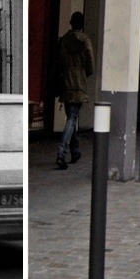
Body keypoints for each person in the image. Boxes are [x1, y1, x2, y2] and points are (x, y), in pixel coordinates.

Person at [56, 11, 94, 170]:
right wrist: (85, 72)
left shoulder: (64, 40)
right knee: (72, 119)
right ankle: (61, 153)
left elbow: (59, 60)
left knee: (71, 118)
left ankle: (75, 151)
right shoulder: (85, 40)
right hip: (79, 82)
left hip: (66, 83)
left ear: (71, 23)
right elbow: (90, 62)